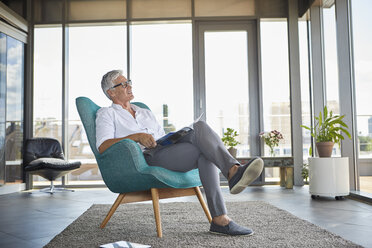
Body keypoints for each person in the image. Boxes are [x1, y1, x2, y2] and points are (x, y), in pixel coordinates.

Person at [96, 70, 264, 236]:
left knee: (200, 130)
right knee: (203, 142)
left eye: (129, 82)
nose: (129, 86)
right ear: (111, 92)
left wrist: (175, 137)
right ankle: (233, 172)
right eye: (124, 84)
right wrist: (137, 136)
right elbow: (103, 146)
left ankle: (220, 219)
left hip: (165, 149)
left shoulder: (143, 111)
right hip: (147, 158)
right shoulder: (107, 114)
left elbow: (160, 136)